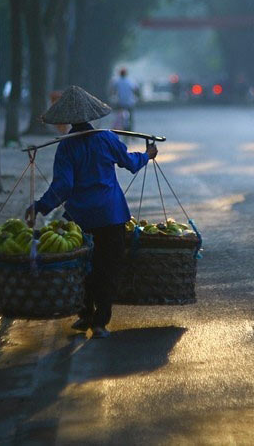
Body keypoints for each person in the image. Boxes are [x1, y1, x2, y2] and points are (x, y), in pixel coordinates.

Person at [25, 85, 157, 338]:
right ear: (91, 115)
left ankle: (85, 314)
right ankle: (99, 321)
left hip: (80, 219)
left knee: (79, 266)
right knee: (108, 268)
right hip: (111, 215)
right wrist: (147, 154)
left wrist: (40, 206)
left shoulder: (67, 147)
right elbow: (130, 162)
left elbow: (63, 187)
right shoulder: (107, 139)